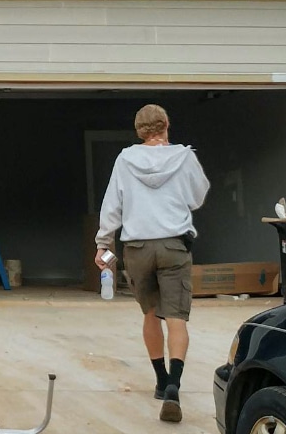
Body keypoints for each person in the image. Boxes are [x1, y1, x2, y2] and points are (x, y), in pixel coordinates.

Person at [95, 104, 210, 424]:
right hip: (174, 245)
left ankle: (159, 380)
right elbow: (198, 196)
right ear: (166, 125)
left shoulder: (125, 159)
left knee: (150, 314)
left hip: (138, 247)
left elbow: (112, 205)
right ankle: (174, 384)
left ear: (139, 130)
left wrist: (103, 243)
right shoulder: (184, 157)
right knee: (176, 318)